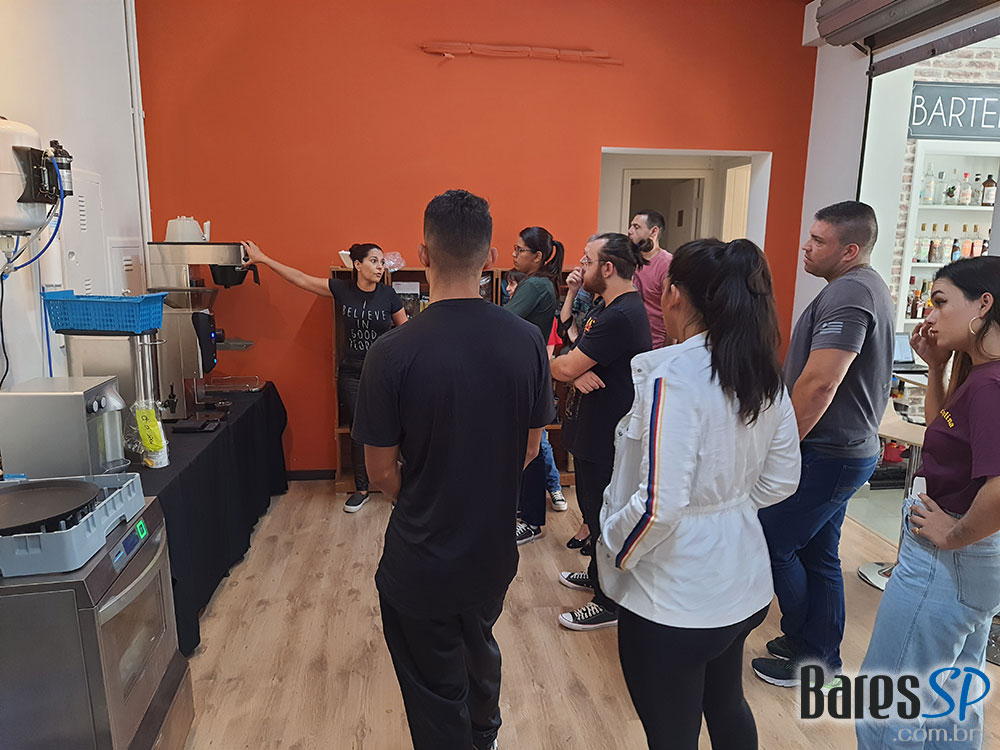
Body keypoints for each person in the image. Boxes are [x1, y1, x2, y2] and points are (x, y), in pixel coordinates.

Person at [352, 190, 554, 750]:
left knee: (434, 688)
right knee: (477, 642)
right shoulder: (527, 340)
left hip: (421, 556)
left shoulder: (392, 352)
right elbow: (531, 448)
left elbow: (379, 471)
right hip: (492, 551)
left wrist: (425, 493)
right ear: (490, 257)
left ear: (423, 255)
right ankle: (484, 734)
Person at [598, 237, 800, 749]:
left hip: (674, 596)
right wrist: (726, 507)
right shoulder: (762, 371)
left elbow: (658, 507)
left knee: (672, 733)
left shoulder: (675, 376)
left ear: (673, 295)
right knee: (727, 705)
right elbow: (782, 479)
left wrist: (612, 550)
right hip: (742, 581)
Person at [856, 256, 1000, 749]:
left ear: (983, 304)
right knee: (952, 700)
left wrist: (953, 535)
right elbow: (943, 429)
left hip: (950, 556)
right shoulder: (979, 376)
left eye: (940, 302)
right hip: (971, 558)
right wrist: (937, 367)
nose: (930, 316)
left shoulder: (991, 386)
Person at [751, 201, 894, 688]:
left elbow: (820, 384)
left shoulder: (851, 292)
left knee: (773, 541)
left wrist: (780, 449)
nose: (806, 247)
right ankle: (819, 654)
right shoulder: (856, 286)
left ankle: (807, 651)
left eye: (818, 240)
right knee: (819, 554)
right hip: (842, 450)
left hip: (829, 452)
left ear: (850, 250)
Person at [243, 240, 406, 512]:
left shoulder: (388, 295)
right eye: (373, 261)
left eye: (381, 262)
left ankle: (397, 487)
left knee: (391, 426)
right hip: (352, 373)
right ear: (357, 265)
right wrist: (264, 259)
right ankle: (362, 488)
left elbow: (405, 331)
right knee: (359, 429)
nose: (380, 267)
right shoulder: (343, 290)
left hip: (382, 373)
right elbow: (301, 279)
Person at [551, 233, 651, 630]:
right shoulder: (605, 307)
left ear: (607, 268)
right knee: (593, 510)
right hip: (593, 429)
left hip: (607, 434)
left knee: (602, 514)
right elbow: (571, 354)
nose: (581, 265)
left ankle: (608, 602)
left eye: (587, 260)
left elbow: (563, 364)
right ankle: (598, 576)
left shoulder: (620, 316)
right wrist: (574, 370)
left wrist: (570, 370)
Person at [505, 226, 564, 542]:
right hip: (527, 371)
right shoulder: (539, 283)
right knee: (528, 446)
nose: (514, 254)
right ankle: (523, 513)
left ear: (538, 256)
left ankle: (530, 519)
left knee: (532, 448)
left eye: (520, 250)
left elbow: (504, 320)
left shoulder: (537, 285)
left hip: (527, 373)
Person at [627, 209, 674, 348]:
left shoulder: (667, 264)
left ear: (654, 231)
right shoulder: (628, 260)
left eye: (636, 227)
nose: (629, 231)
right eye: (631, 226)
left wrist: (667, 350)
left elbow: (672, 310)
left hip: (654, 346)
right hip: (626, 342)